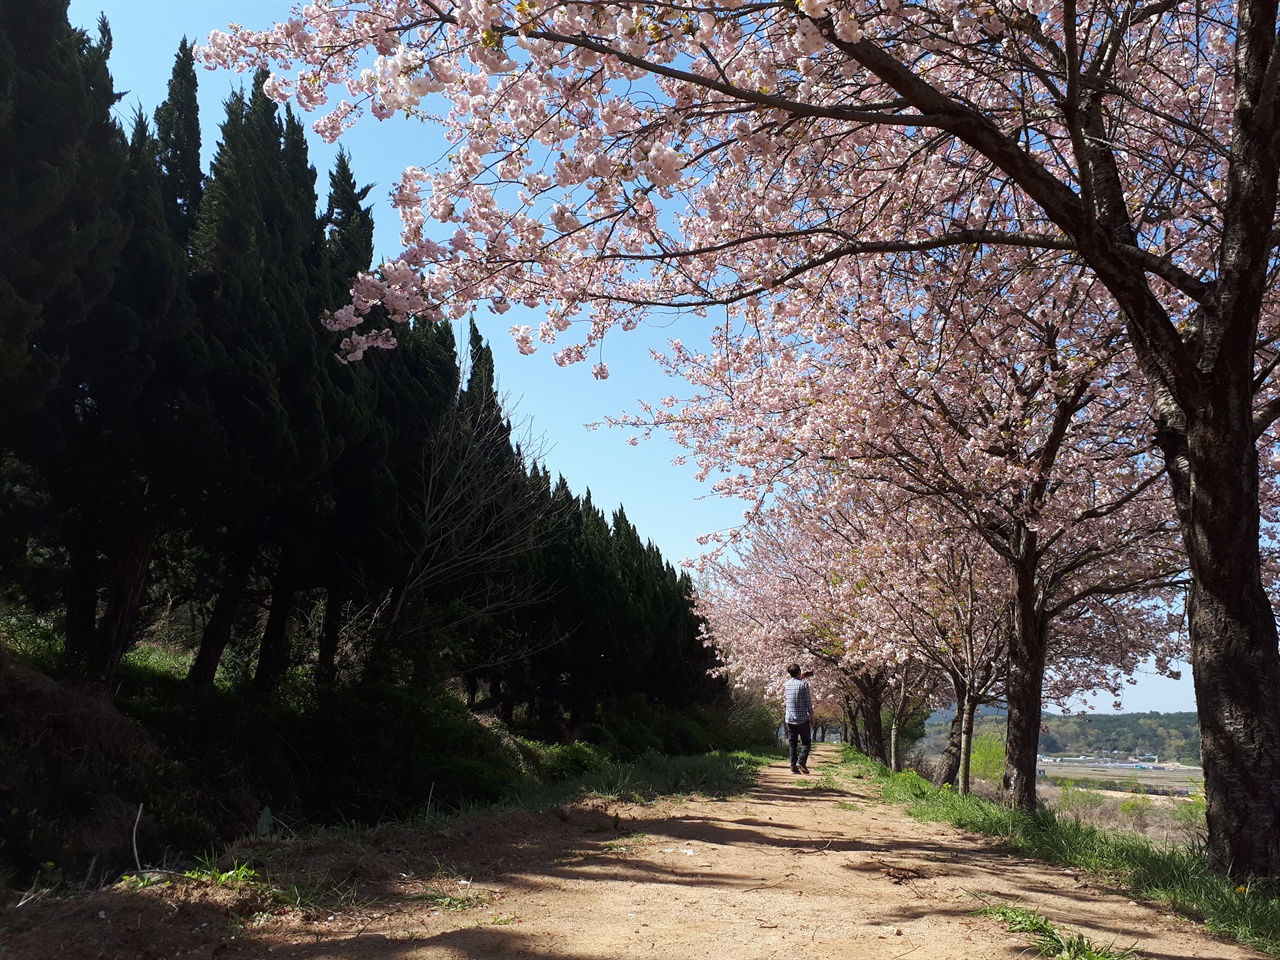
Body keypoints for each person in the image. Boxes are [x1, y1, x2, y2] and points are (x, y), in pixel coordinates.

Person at [783, 663, 814, 775]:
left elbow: (794, 686)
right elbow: (808, 702)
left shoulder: (786, 684)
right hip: (802, 719)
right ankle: (801, 761)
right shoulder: (804, 684)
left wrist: (800, 677)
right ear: (799, 672)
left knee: (793, 743)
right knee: (806, 742)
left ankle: (793, 767)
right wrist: (812, 715)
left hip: (789, 719)